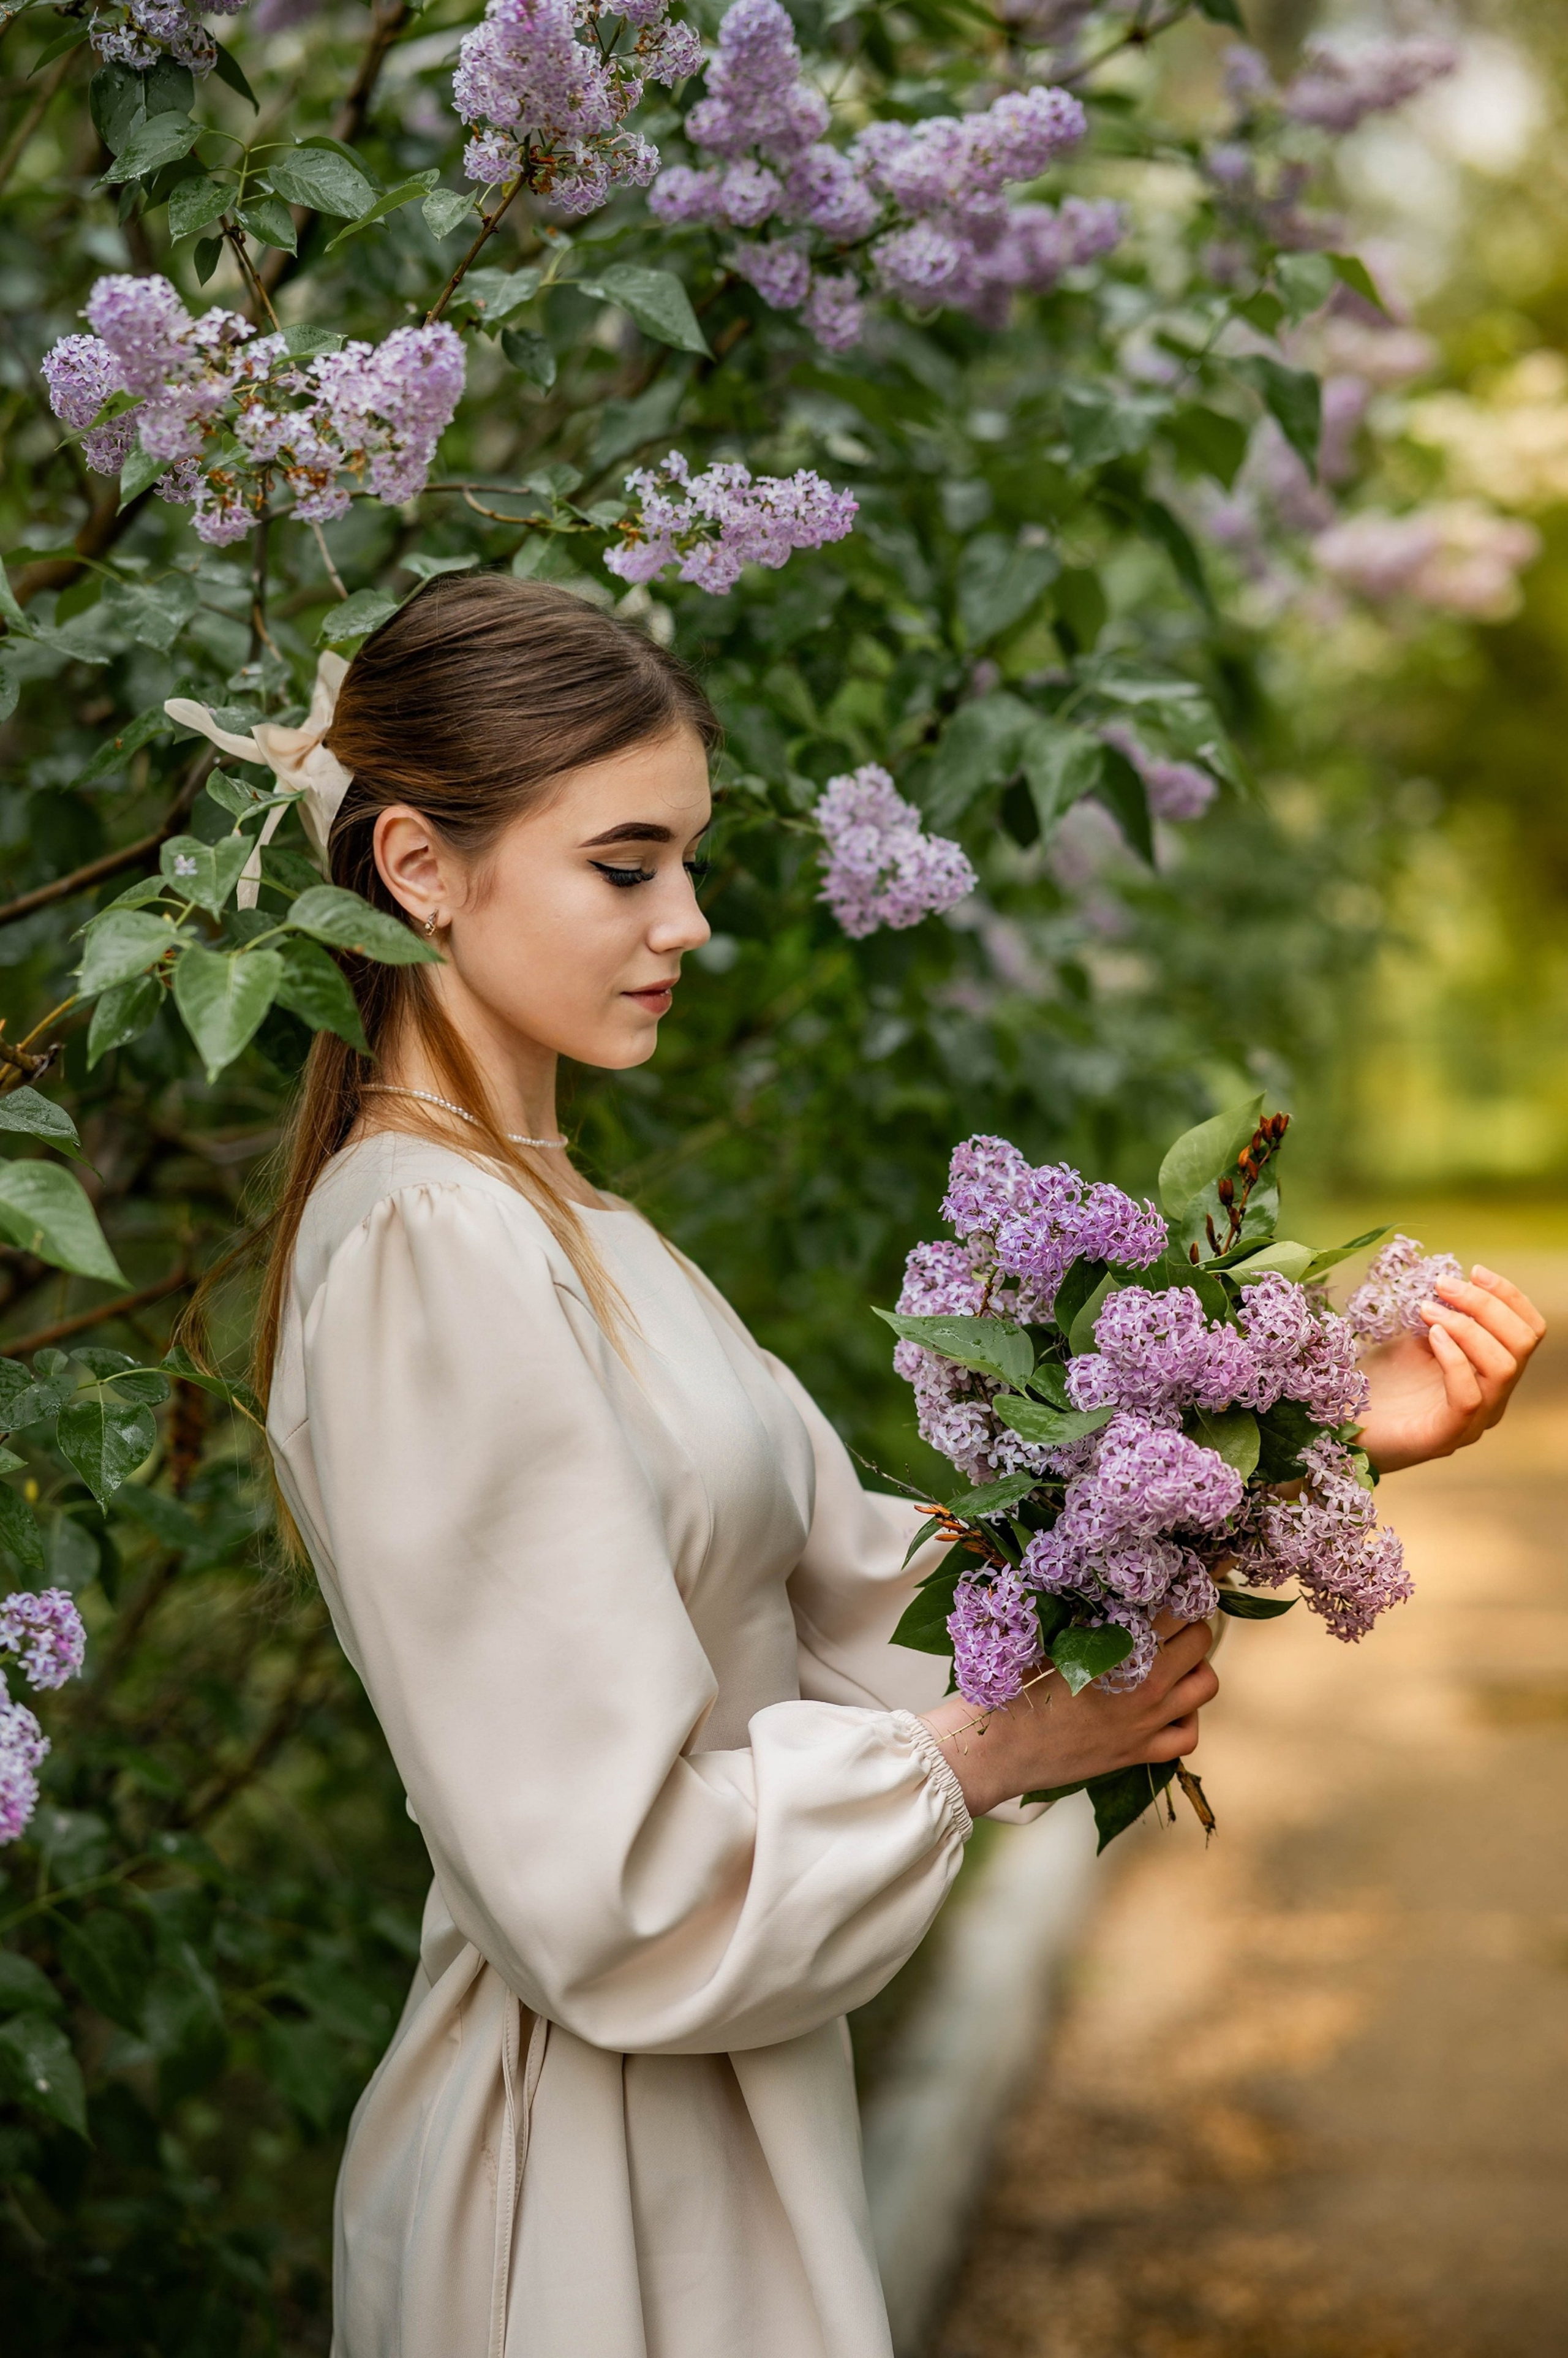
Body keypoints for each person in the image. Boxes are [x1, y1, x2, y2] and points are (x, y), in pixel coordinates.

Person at [205, 575, 1542, 2358]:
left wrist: (1294, 1417)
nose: (685, 919)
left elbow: (874, 1595)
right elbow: (609, 1893)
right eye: (624, 864)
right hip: (587, 2204)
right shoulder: (427, 1248)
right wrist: (990, 1749)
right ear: (419, 865)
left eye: (687, 859)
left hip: (706, 2127)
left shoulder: (573, 1225)